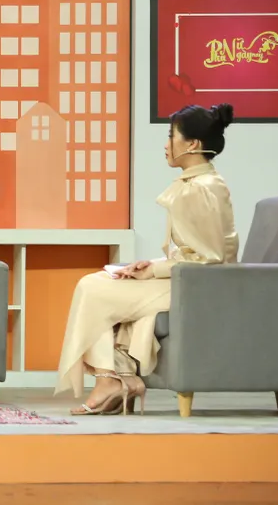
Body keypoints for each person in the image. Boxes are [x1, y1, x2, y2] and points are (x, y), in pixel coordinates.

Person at [55, 103, 239, 415]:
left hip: (199, 286)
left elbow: (209, 259)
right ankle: (120, 376)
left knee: (93, 288)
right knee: (101, 280)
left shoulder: (201, 188)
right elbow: (193, 251)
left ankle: (109, 379)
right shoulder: (199, 182)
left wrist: (155, 270)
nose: (166, 145)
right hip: (186, 278)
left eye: (171, 136)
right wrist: (150, 265)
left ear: (192, 144)